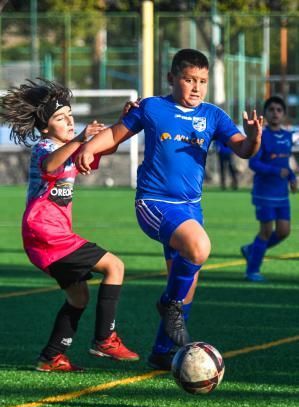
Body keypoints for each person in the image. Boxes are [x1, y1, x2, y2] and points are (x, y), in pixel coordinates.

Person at [76, 48, 263, 370]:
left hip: (191, 208)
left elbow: (243, 150)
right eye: (189, 79)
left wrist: (254, 137)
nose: (196, 87)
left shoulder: (213, 115)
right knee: (199, 248)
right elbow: (115, 133)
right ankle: (168, 304)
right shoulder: (152, 107)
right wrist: (89, 146)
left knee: (186, 283)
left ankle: (162, 351)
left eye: (202, 81)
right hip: (154, 202)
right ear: (171, 78)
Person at [0, 78, 139, 371]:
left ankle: (51, 357)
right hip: (46, 233)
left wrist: (124, 122)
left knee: (78, 297)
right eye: (60, 118)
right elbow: (50, 166)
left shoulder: (69, 147)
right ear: (45, 126)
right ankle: (105, 338)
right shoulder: (45, 146)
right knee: (115, 266)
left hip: (47, 237)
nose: (69, 121)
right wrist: (79, 140)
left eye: (70, 116)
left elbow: (106, 148)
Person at [241, 95, 298, 282]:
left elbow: (285, 164)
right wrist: (276, 171)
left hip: (281, 194)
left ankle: (251, 249)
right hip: (264, 193)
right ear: (265, 113)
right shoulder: (261, 135)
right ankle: (252, 270)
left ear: (283, 114)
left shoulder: (288, 136)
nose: (275, 113)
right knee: (265, 231)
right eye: (271, 109)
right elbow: (254, 164)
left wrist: (292, 178)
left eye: (279, 110)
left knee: (283, 231)